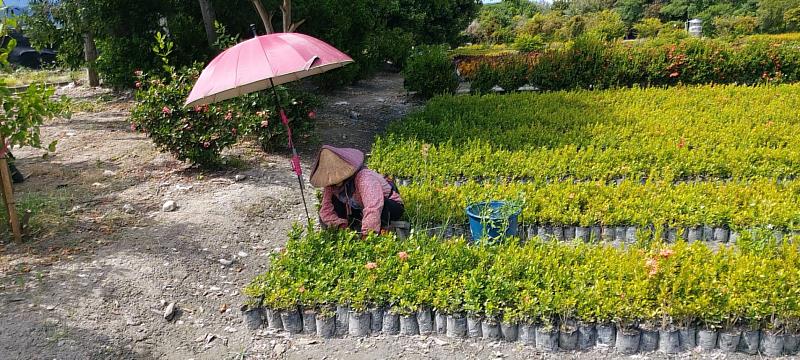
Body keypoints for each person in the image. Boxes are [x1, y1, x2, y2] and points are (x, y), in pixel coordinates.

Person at [310, 145, 404, 236]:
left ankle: (378, 230)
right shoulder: (331, 184)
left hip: (389, 206)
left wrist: (367, 234)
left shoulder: (364, 178)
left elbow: (373, 206)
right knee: (330, 209)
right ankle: (350, 227)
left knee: (380, 211)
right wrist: (339, 225)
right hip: (360, 207)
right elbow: (326, 209)